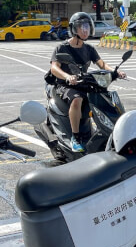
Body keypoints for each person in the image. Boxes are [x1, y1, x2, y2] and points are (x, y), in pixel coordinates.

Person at [50, 12, 126, 152]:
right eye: (81, 27)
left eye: (87, 26)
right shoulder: (62, 48)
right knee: (77, 99)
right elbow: (54, 68)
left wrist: (115, 72)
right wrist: (67, 76)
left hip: (82, 83)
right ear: (74, 29)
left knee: (101, 97)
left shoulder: (89, 48)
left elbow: (101, 64)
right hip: (66, 85)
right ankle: (76, 137)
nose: (85, 30)